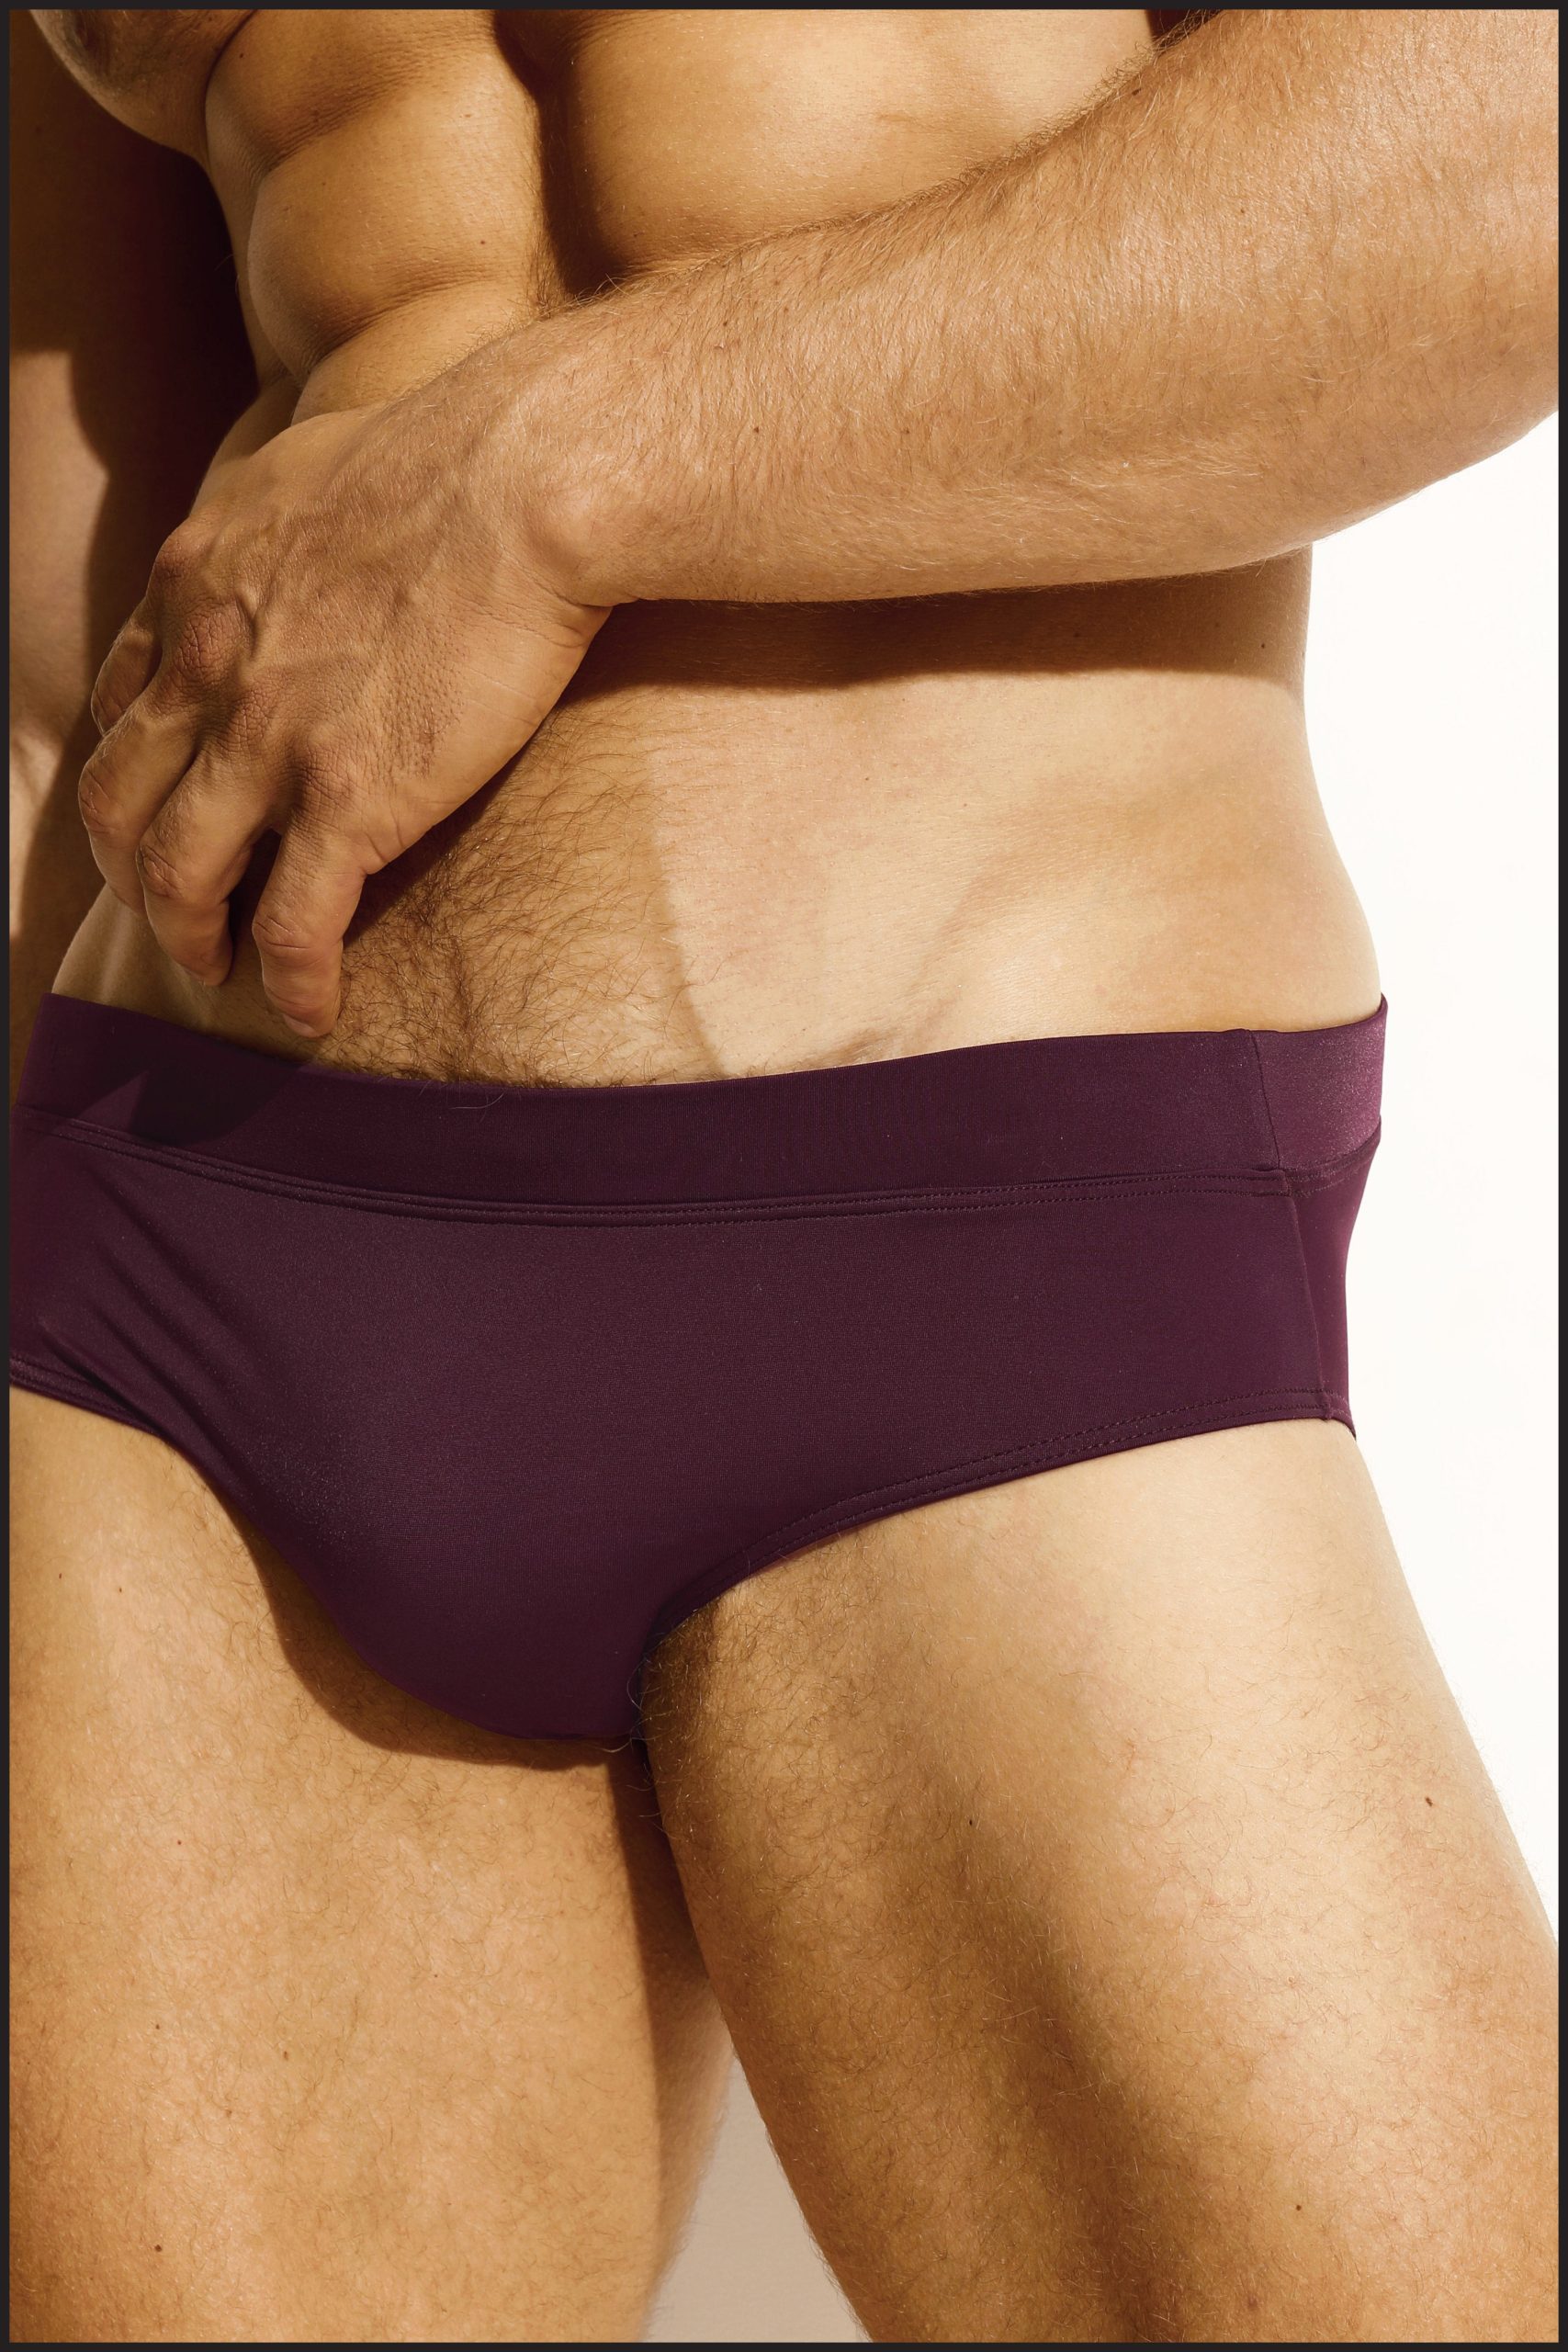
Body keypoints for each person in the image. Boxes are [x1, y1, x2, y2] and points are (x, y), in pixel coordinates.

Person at [10, 8, 1558, 2341]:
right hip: (183, 1279)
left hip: (970, 1210)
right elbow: (86, 633)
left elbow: (1502, 149)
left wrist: (551, 474)